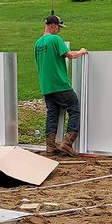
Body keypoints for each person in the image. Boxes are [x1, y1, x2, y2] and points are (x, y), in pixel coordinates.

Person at [35, 14, 87, 156]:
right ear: (52, 25)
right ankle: (67, 143)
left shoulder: (38, 43)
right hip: (60, 84)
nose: (59, 30)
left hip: (46, 86)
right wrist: (82, 52)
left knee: (52, 113)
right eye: (59, 27)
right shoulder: (55, 39)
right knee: (74, 107)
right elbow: (70, 55)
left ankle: (50, 147)